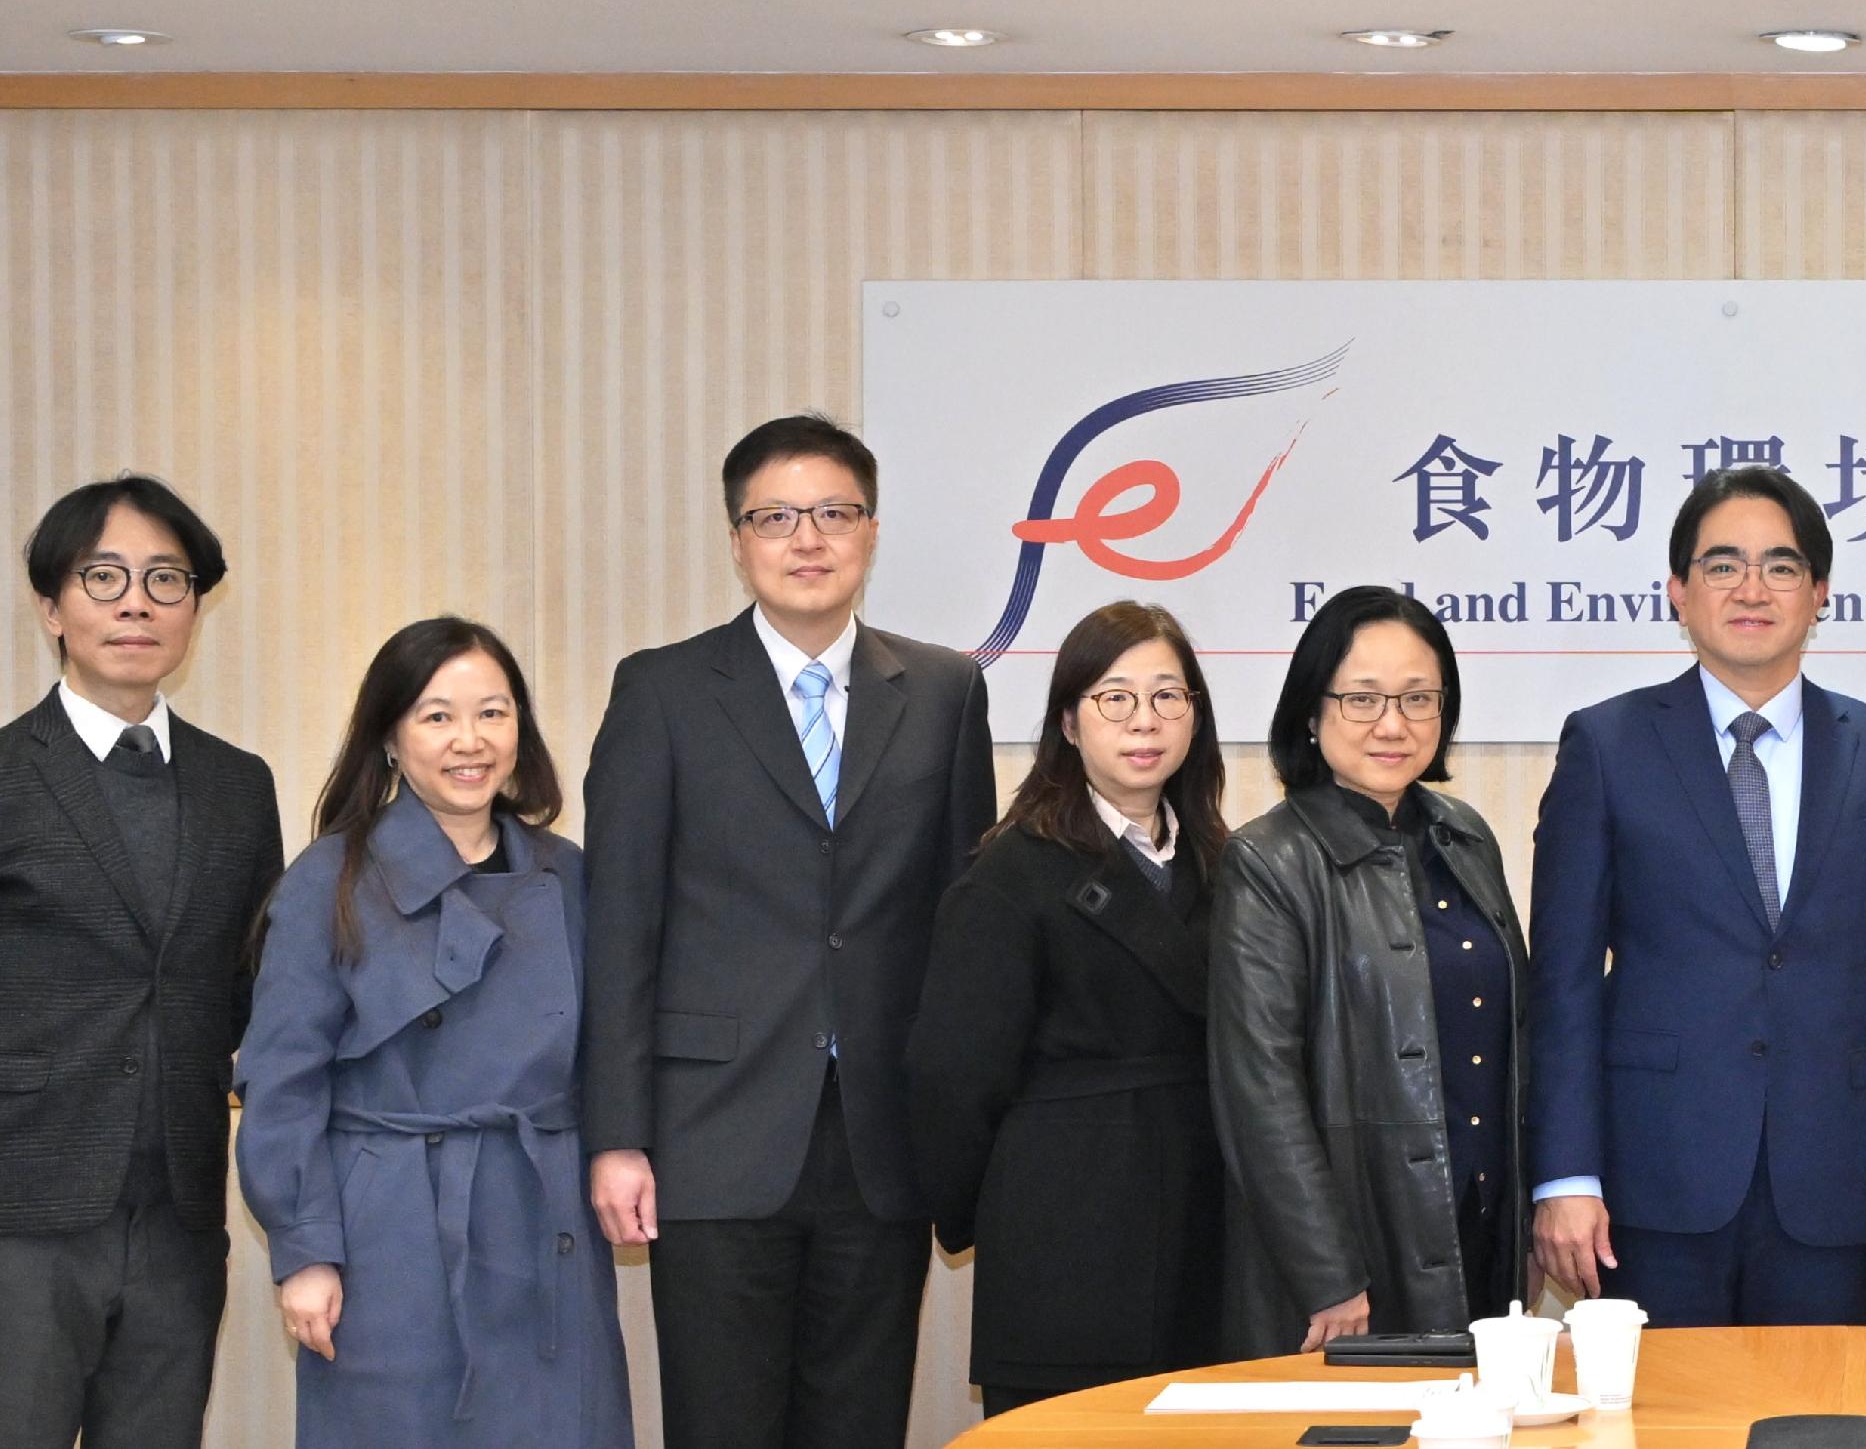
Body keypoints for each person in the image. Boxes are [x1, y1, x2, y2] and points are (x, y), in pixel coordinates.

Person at [576, 414, 998, 1449]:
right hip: (711, 1133)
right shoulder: (663, 689)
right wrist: (618, 1134)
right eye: (775, 516)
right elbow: (620, 926)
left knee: (859, 1425)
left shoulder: (944, 693)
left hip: (880, 1138)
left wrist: (963, 1133)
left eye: (832, 513)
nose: (806, 538)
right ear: (737, 541)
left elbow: (964, 929)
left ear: (871, 530)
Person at [0, 476, 283, 1449]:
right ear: (52, 606)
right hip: (16, 1212)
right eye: (104, 577)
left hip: (179, 1217)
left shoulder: (239, 785)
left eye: (165, 579)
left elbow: (250, 987)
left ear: (194, 607)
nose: (136, 601)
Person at [1527, 465, 1866, 1326]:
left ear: (1819, 594)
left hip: (1836, 1183)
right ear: (1679, 592)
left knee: (1816, 1420)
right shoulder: (1607, 744)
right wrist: (1566, 1174)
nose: (1751, 587)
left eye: (1780, 565)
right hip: (1651, 1182)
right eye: (1722, 564)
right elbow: (1566, 981)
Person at [233, 616, 631, 1449]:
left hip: (542, 1210)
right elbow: (282, 1078)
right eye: (437, 715)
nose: (470, 741)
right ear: (389, 736)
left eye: (493, 712)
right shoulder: (330, 878)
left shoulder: (567, 872)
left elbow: (610, 1046)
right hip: (390, 1227)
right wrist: (305, 1250)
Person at [908, 601, 1235, 1413]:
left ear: (1196, 717)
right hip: (1065, 1226)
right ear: (1069, 720)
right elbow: (952, 1074)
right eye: (1114, 697)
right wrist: (985, 1207)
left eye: (1169, 696)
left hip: (1208, 1222)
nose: (1144, 720)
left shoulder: (1229, 863)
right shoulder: (1012, 869)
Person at [1216, 586, 1533, 1352]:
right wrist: (1327, 1270)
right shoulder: (1269, 859)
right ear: (1312, 712)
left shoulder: (1466, 836)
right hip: (1357, 1242)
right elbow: (1260, 1089)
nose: (1393, 723)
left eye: (1418, 698)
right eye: (1362, 698)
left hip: (1482, 1216)